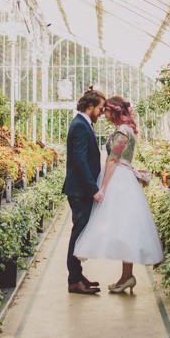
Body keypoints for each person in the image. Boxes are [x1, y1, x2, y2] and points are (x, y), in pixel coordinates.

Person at [74, 95, 164, 294]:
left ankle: (126, 276)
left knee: (124, 228)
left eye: (106, 110)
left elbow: (113, 160)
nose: (103, 113)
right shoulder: (123, 129)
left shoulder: (122, 131)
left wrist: (103, 187)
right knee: (126, 228)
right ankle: (126, 277)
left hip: (118, 179)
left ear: (114, 111)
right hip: (122, 177)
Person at [62, 88, 106, 295]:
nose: (102, 112)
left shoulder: (82, 123)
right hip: (80, 191)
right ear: (90, 107)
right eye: (100, 108)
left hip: (81, 190)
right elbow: (80, 160)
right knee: (78, 234)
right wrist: (93, 189)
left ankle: (78, 276)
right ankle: (73, 280)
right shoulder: (80, 125)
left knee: (79, 233)